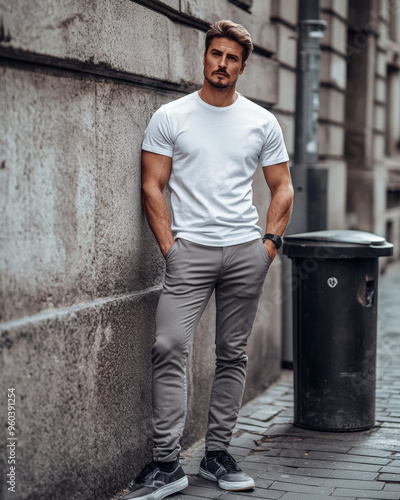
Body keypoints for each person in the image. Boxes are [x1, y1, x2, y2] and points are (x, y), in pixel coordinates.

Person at [121, 19, 294, 500]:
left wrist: (269, 245)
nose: (222, 64)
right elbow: (151, 185)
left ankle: (217, 455)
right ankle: (166, 464)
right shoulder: (171, 116)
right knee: (168, 346)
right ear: (205, 57)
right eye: (215, 54)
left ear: (243, 65)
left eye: (232, 58)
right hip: (189, 252)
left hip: (245, 252)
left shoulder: (261, 121)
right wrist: (170, 248)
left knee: (232, 354)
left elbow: (283, 187)